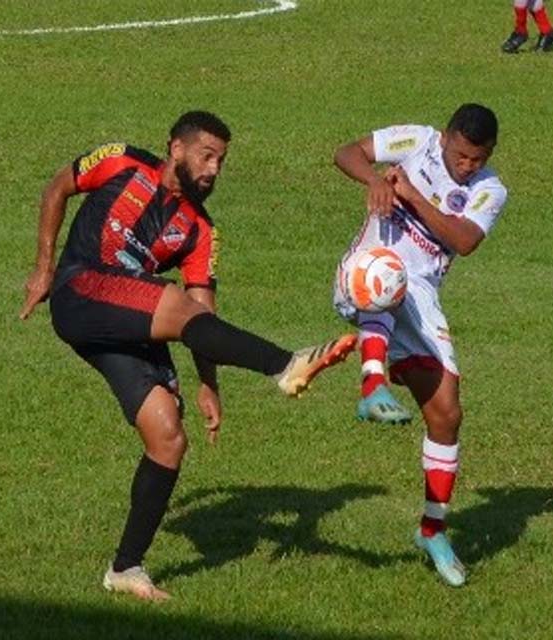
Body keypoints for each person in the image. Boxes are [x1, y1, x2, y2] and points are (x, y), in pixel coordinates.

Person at [20, 110, 355, 601]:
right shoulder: (119, 161)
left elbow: (203, 311)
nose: (214, 169)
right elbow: (56, 190)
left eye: (221, 160)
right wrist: (44, 268)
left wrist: (209, 383)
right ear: (176, 148)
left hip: (128, 323)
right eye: (206, 156)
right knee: (170, 299)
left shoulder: (199, 230)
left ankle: (126, 568)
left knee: (167, 437)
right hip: (81, 290)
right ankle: (286, 364)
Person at [331, 104, 508, 586]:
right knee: (385, 277)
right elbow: (346, 152)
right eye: (461, 154)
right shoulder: (416, 139)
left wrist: (408, 194)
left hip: (423, 295)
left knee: (447, 413)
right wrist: (371, 179)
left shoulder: (490, 190)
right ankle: (371, 387)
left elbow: (464, 240)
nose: (467, 165)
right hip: (371, 265)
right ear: (446, 136)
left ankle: (432, 529)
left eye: (478, 158)